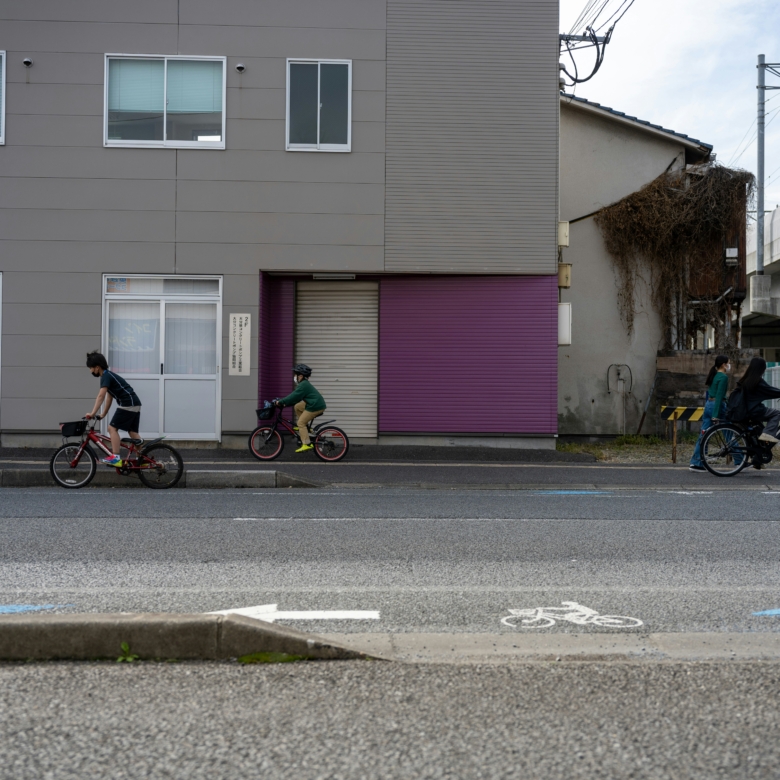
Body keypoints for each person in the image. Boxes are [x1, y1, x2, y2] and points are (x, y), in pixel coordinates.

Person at [85, 351, 142, 467]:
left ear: (97, 367)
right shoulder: (109, 375)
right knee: (133, 432)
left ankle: (116, 457)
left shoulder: (105, 376)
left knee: (112, 428)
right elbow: (109, 398)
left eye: (91, 368)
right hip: (134, 403)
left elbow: (101, 396)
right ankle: (142, 458)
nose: (90, 371)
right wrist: (103, 414)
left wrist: (92, 413)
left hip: (128, 403)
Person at [689, 355, 731, 471]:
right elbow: (719, 396)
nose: (729, 365)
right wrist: (715, 415)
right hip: (718, 406)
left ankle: (696, 463)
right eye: (728, 363)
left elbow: (712, 393)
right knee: (729, 432)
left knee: (703, 435)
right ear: (723, 364)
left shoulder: (714, 375)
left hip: (708, 405)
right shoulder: (723, 377)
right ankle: (740, 460)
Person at [275, 364, 326, 453]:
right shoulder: (304, 384)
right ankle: (306, 428)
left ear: (301, 376)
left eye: (296, 375)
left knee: (300, 423)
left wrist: (281, 402)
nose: (295, 377)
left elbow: (293, 396)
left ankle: (306, 444)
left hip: (315, 406)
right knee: (297, 406)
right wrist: (285, 404)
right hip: (314, 404)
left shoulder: (303, 385)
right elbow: (296, 399)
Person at [730, 357, 780, 445]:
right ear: (761, 369)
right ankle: (767, 435)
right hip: (754, 411)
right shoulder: (757, 381)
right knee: (776, 413)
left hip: (745, 411)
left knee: (758, 429)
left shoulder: (745, 380)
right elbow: (771, 390)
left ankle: (758, 448)